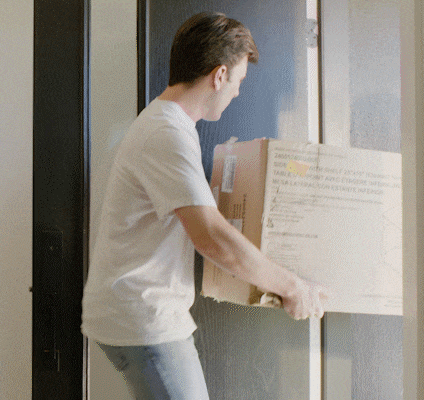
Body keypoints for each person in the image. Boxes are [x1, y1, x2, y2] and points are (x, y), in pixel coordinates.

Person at [81, 11, 328, 400]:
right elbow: (211, 237)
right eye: (239, 80)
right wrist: (292, 286)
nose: (238, 92)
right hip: (145, 321)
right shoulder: (167, 133)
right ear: (219, 76)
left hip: (137, 315)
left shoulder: (169, 127)